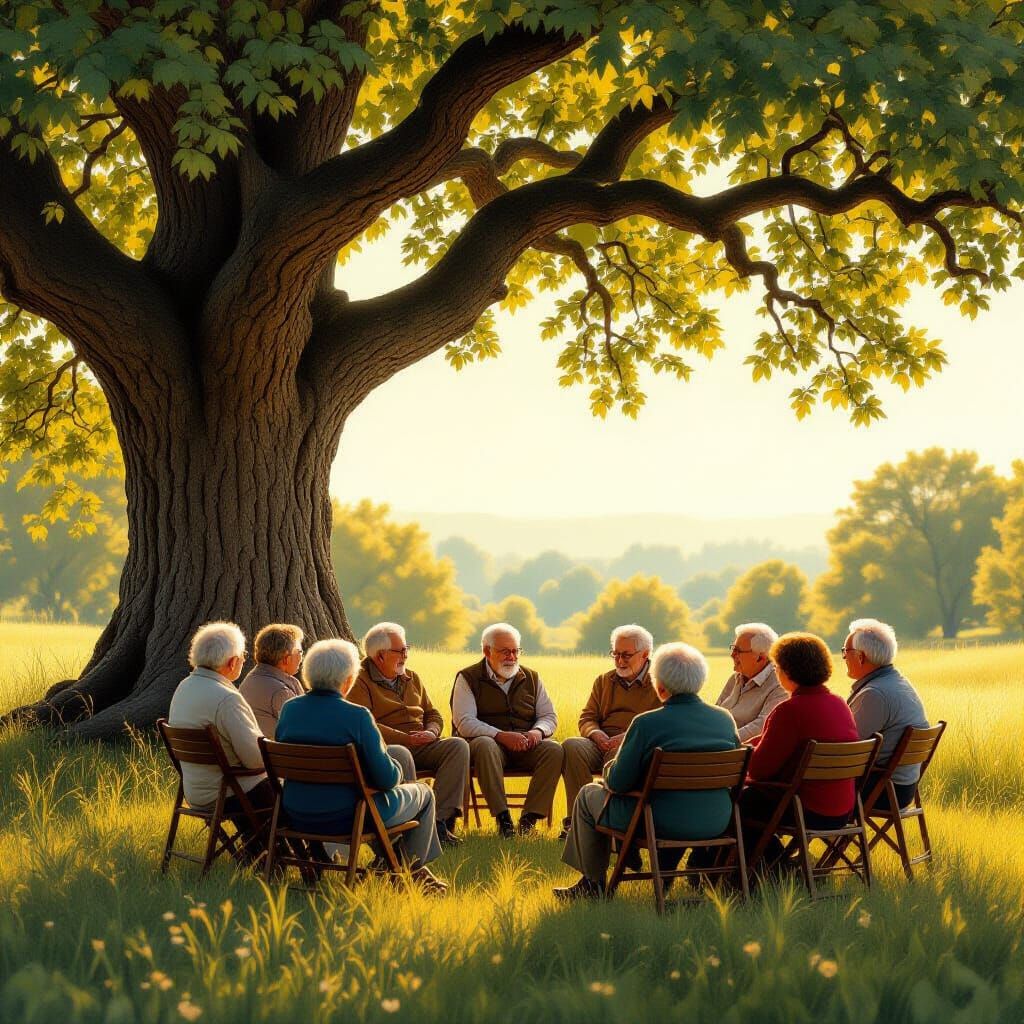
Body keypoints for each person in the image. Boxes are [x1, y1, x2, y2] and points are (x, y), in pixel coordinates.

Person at [553, 642, 741, 902]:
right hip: (717, 820)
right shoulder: (724, 719)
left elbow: (618, 783)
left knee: (587, 795)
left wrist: (609, 769)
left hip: (659, 821)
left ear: (660, 687)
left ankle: (592, 884)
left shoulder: (647, 723)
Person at [275, 638, 448, 894]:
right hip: (349, 816)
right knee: (424, 794)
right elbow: (387, 779)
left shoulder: (290, 710)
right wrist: (397, 769)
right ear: (348, 680)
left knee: (390, 768)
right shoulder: (357, 716)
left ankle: (397, 865)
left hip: (296, 812)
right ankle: (409, 872)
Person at [741, 632, 859, 871]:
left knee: (736, 803)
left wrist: (742, 754)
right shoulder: (839, 704)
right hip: (843, 810)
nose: (776, 672)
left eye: (777, 667)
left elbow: (759, 770)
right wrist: (758, 743)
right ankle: (776, 867)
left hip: (803, 809)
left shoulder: (789, 710)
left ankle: (774, 869)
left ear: (787, 671)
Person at [347, 622, 470, 846]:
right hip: (389, 750)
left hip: (422, 744)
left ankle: (439, 823)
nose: (406, 655)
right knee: (402, 753)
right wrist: (406, 739)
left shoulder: (412, 677)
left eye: (407, 649)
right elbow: (366, 724)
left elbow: (432, 713)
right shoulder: (359, 680)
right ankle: (413, 827)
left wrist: (431, 731)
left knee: (457, 746)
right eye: (401, 651)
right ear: (380, 656)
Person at [451, 622, 563, 838]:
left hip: (525, 745)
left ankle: (529, 820)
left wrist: (537, 732)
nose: (512, 657)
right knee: (485, 745)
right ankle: (504, 820)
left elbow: (549, 716)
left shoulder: (532, 677)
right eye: (505, 651)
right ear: (487, 651)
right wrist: (500, 735)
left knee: (554, 750)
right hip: (488, 747)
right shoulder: (467, 678)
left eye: (515, 651)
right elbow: (464, 722)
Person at [167, 621, 271, 853]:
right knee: (289, 792)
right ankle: (292, 858)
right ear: (232, 662)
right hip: (227, 792)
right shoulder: (227, 698)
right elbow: (255, 760)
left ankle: (259, 854)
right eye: (243, 656)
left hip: (195, 791)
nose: (244, 661)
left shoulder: (184, 687)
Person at [559, 624, 661, 839]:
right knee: (571, 745)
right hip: (601, 741)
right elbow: (587, 717)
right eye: (616, 654)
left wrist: (627, 738)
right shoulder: (604, 680)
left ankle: (610, 824)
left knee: (620, 754)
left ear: (645, 655)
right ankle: (575, 822)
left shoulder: (660, 684)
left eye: (626, 655)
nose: (619, 661)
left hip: (635, 745)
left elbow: (661, 723)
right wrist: (595, 734)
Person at [842, 618, 929, 809]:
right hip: (902, 788)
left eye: (845, 652)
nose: (843, 658)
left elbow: (847, 748)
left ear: (860, 657)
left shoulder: (874, 694)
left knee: (799, 791)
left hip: (881, 791)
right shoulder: (898, 682)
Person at [715, 622, 787, 742]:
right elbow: (716, 712)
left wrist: (721, 740)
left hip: (738, 749)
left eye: (738, 651)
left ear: (760, 657)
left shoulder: (779, 684)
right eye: (733, 648)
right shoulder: (735, 678)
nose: (732, 655)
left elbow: (761, 727)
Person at [239, 623, 305, 737]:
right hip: (274, 748)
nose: (301, 657)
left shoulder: (251, 678)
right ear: (286, 658)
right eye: (300, 652)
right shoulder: (281, 692)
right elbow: (304, 729)